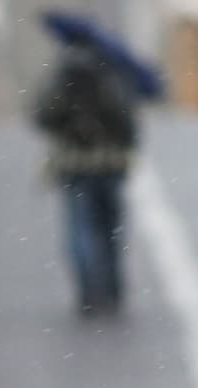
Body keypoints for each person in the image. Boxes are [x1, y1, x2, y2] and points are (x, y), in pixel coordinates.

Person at [32, 25, 140, 314]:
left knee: (80, 229)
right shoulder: (110, 71)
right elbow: (126, 120)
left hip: (73, 164)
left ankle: (88, 292)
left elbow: (41, 115)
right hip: (110, 163)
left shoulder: (62, 73)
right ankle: (113, 289)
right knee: (110, 229)